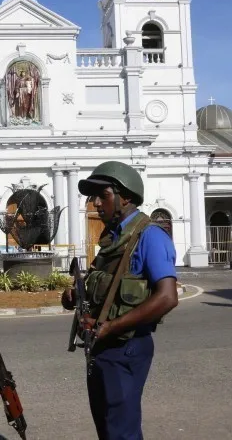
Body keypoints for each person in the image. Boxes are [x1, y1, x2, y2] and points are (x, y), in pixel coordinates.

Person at [60, 161, 179, 440]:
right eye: (93, 197)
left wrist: (112, 326)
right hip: (101, 346)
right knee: (107, 428)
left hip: (126, 346)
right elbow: (104, 287)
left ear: (125, 197)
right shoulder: (112, 240)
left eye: (104, 195)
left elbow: (167, 297)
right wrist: (75, 296)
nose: (96, 204)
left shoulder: (149, 236)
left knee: (121, 432)